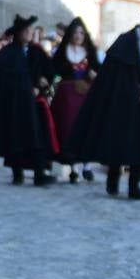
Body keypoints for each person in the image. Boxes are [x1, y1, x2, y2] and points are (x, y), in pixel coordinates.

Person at [66, 8, 140, 200]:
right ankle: (113, 181)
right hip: (120, 103)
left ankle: (135, 185)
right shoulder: (125, 42)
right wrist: (135, 91)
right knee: (118, 140)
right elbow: (113, 78)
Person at [0, 15, 55, 186]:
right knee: (16, 140)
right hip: (15, 105)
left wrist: (41, 83)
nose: (29, 33)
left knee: (38, 139)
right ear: (18, 33)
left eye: (31, 30)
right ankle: (17, 173)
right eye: (26, 31)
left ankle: (40, 174)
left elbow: (48, 72)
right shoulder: (6, 55)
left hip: (35, 105)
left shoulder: (36, 51)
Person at [49, 17, 100, 183]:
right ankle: (73, 167)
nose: (78, 35)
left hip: (85, 95)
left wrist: (92, 76)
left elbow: (99, 71)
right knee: (67, 127)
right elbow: (52, 70)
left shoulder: (90, 52)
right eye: (76, 32)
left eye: (81, 32)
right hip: (66, 96)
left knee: (85, 126)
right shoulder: (62, 52)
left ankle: (86, 165)